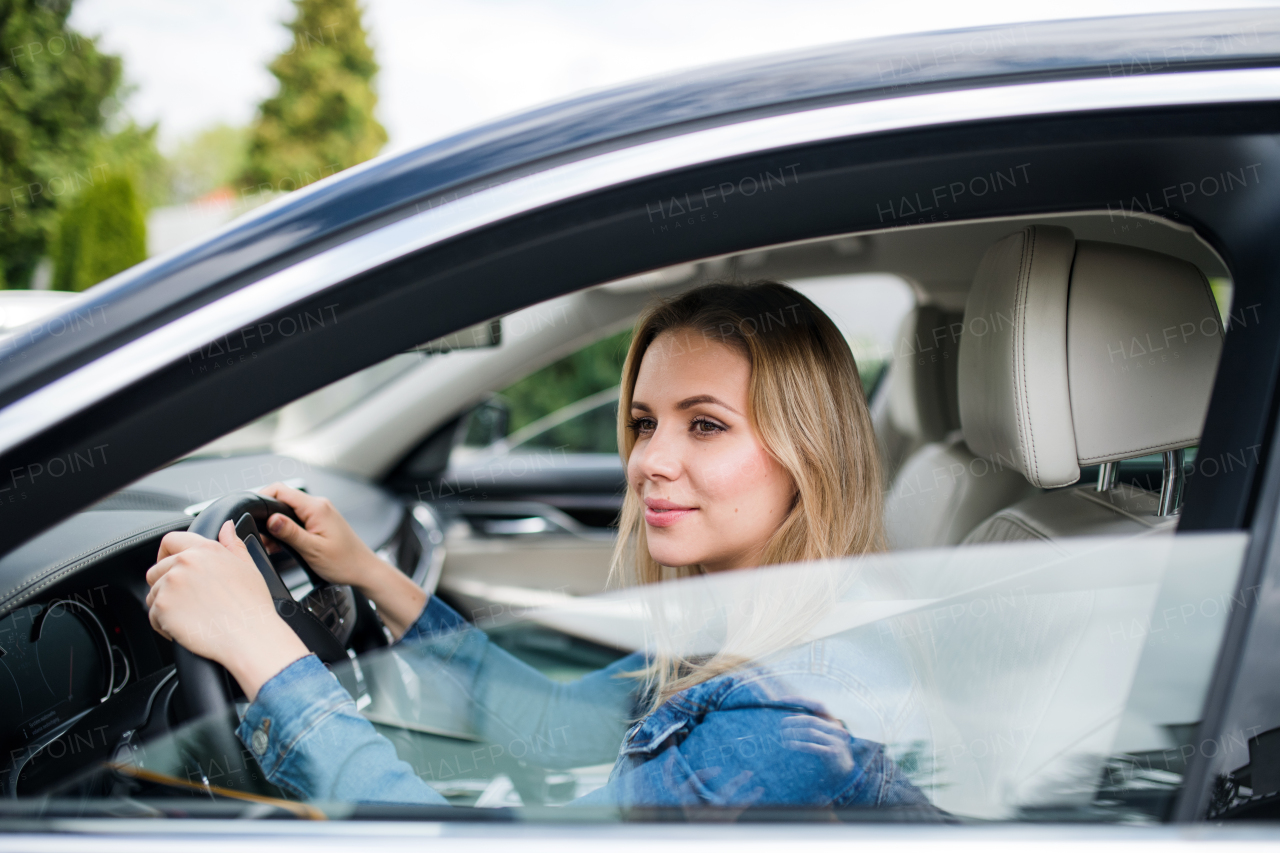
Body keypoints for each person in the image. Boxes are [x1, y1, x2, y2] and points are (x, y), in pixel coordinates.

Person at [144, 282, 932, 810]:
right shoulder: (744, 621)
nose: (648, 460)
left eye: (707, 423)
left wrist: (262, 649)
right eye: (646, 420)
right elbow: (556, 723)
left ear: (810, 450)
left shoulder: (786, 715)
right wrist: (369, 573)